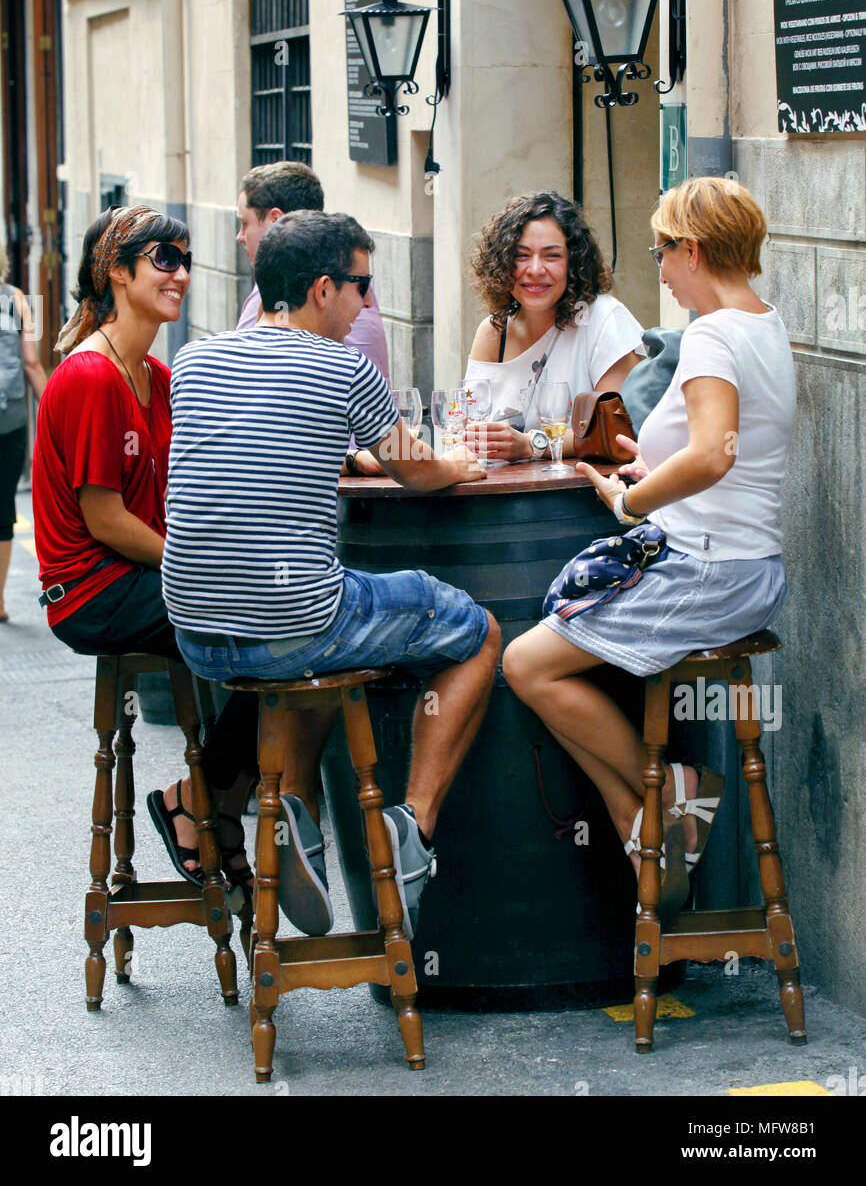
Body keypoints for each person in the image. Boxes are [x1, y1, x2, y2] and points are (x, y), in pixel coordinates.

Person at [163, 209, 502, 939]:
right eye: (363, 286)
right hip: (295, 627)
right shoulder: (346, 366)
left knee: (318, 642)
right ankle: (410, 831)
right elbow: (416, 470)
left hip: (195, 634)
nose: (368, 304)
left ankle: (294, 819)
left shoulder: (193, 360)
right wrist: (461, 464)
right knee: (477, 630)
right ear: (323, 289)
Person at [503, 177, 794, 910]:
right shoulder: (763, 324)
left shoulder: (713, 335)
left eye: (662, 251)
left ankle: (679, 793)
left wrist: (631, 498)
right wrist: (651, 467)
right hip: (742, 565)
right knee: (546, 662)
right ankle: (650, 825)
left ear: (692, 250)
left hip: (708, 568)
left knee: (527, 664)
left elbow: (713, 457)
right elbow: (725, 451)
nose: (659, 269)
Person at [31, 205, 258, 896]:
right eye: (165, 259)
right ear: (116, 271)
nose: (181, 274)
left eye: (185, 260)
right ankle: (202, 803)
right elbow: (105, 520)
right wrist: (197, 564)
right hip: (90, 591)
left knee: (274, 615)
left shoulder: (156, 377)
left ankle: (208, 800)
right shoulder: (91, 375)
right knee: (269, 625)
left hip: (131, 576)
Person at [462, 190, 644, 463]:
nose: (535, 270)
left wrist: (531, 445)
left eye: (551, 256)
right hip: (492, 493)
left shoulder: (604, 319)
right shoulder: (492, 332)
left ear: (575, 263)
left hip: (578, 497)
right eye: (521, 256)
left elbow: (619, 431)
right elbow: (469, 431)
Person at [235, 160, 390, 382]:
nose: (240, 236)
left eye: (244, 223)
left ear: (276, 220)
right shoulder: (344, 273)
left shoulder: (283, 282)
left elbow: (247, 371)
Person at [0, 251, 48, 621]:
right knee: (4, 509)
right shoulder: (21, 301)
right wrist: (52, 407)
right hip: (10, 420)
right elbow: (31, 361)